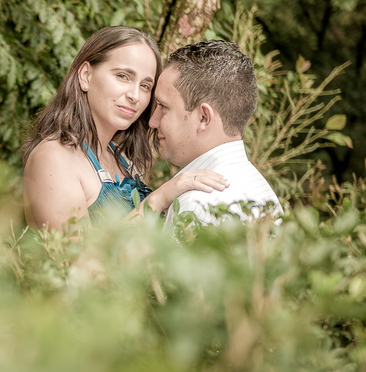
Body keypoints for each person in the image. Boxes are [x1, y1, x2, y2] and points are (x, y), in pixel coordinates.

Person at [22, 26, 229, 231]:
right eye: (123, 76)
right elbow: (77, 261)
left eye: (145, 86)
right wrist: (160, 198)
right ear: (86, 75)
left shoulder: (122, 159)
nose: (135, 96)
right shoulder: (53, 158)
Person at [149, 40, 283, 225]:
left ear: (204, 117)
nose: (152, 121)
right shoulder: (263, 193)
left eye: (163, 106)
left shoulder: (195, 205)